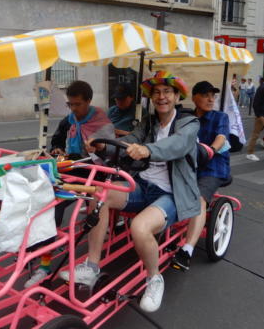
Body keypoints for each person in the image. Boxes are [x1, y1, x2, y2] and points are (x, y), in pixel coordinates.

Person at [60, 71, 200, 313]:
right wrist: (103, 145)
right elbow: (130, 142)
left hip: (171, 193)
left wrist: (147, 150)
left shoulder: (189, 123)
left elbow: (177, 145)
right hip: (141, 185)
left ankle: (154, 279)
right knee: (99, 193)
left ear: (177, 96)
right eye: (156, 93)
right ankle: (91, 267)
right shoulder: (148, 122)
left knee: (140, 228)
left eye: (167, 91)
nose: (161, 97)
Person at [24, 80, 114, 288]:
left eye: (77, 104)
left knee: (55, 201)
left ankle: (45, 263)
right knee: (46, 197)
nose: (73, 109)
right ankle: (42, 249)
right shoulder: (70, 120)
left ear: (89, 102)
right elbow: (57, 138)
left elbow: (110, 154)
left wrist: (98, 148)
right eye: (70, 104)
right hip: (72, 169)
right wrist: (57, 149)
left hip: (95, 175)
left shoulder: (103, 123)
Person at [172, 81, 230, 271]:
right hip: (189, 165)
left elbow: (221, 137)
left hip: (213, 166)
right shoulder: (185, 117)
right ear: (194, 97)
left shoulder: (220, 117)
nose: (211, 99)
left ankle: (187, 250)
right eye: (206, 95)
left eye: (213, 96)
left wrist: (211, 150)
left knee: (199, 198)